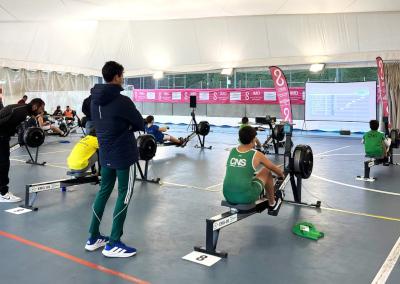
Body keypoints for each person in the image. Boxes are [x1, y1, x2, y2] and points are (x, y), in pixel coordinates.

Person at [86, 61, 144, 258]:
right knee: (124, 195)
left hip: (105, 153)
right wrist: (127, 126)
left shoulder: (93, 100)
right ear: (118, 76)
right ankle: (113, 242)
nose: (123, 77)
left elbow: (95, 120)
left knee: (103, 193)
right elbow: (139, 122)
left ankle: (93, 237)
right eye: (123, 74)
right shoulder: (122, 101)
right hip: (124, 155)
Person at [223, 126, 285, 212]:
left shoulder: (232, 151)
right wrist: (282, 175)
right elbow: (273, 168)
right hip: (245, 197)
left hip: (227, 195)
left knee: (246, 176)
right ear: (253, 140)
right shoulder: (256, 154)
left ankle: (236, 198)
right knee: (266, 171)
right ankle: (272, 203)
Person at [0, 98, 45, 202]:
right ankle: (3, 193)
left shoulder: (21, 109)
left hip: (3, 136)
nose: (42, 111)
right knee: (3, 164)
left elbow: (15, 127)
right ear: (35, 106)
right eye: (41, 108)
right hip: (1, 137)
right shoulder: (22, 113)